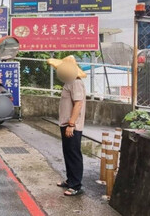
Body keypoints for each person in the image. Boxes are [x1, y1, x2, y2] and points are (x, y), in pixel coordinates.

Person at [47, 55, 87, 197]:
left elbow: (78, 103)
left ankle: (76, 185)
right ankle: (70, 180)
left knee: (74, 154)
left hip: (72, 126)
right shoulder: (69, 81)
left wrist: (71, 124)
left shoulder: (76, 82)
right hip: (66, 124)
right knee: (68, 153)